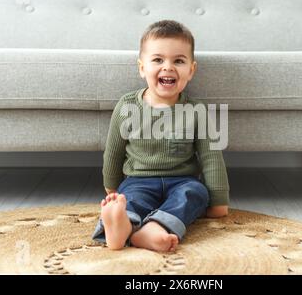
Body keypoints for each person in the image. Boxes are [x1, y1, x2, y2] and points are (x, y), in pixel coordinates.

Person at [92, 19, 230, 252]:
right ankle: (122, 225)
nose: (168, 67)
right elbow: (114, 152)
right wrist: (112, 188)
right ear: (142, 67)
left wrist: (218, 200)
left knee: (195, 194)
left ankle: (154, 227)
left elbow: (211, 158)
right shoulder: (126, 107)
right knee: (131, 200)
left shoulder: (197, 111)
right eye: (158, 60)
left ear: (191, 70)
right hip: (138, 180)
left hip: (182, 181)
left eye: (178, 61)